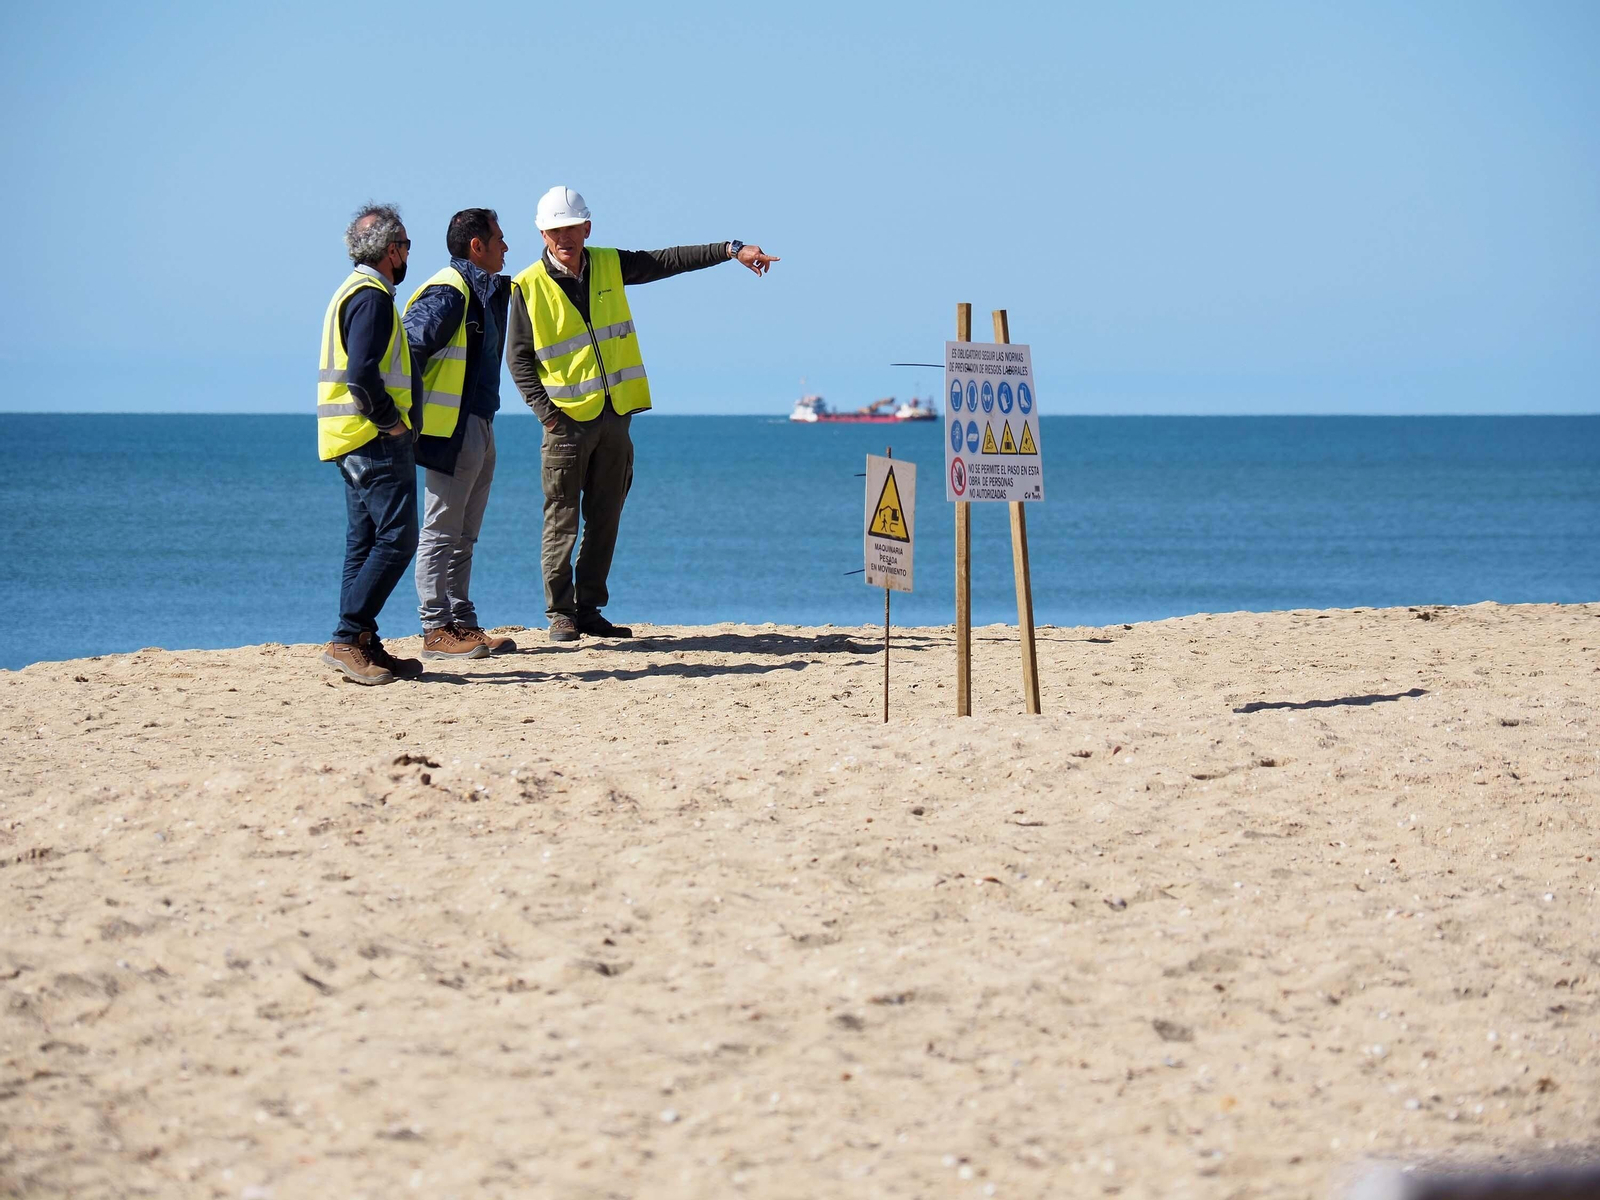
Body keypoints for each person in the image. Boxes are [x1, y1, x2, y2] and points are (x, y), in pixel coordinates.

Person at [506, 186, 778, 642]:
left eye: (570, 228)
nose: (563, 238)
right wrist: (548, 416)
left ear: (586, 228)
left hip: (615, 418)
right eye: (554, 231)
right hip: (566, 424)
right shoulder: (527, 285)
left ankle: (589, 608)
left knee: (606, 516)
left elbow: (669, 260)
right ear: (542, 233)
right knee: (562, 518)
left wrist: (731, 250)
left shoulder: (611, 263)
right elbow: (518, 359)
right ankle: (561, 613)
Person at [315, 203, 423, 685]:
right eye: (405, 247)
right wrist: (392, 423)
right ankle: (348, 636)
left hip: (350, 439)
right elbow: (361, 374)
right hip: (372, 439)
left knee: (364, 541)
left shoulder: (355, 290)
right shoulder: (371, 296)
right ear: (392, 250)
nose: (406, 256)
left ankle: (358, 640)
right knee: (398, 539)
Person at [402, 208, 516, 659]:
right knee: (441, 530)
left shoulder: (486, 290)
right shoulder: (450, 292)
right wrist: (406, 416)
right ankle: (436, 628)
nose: (506, 247)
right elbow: (408, 349)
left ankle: (461, 622)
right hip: (451, 427)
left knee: (465, 533)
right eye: (500, 239)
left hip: (480, 421)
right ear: (477, 245)